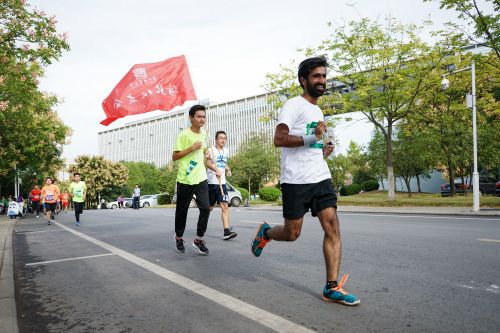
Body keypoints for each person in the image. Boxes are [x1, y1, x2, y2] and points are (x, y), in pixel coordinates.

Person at [250, 57, 360, 306]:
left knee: (332, 227)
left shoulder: (318, 110)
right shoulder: (293, 105)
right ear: (304, 80)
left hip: (320, 176)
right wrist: (313, 138)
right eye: (316, 77)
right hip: (295, 181)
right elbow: (279, 139)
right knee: (292, 233)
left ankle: (331, 287)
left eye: (323, 76)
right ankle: (266, 232)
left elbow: (313, 142)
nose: (322, 81)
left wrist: (323, 148)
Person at [172, 104, 213, 255]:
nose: (202, 119)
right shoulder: (184, 135)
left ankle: (199, 239)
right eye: (199, 116)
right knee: (182, 211)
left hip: (201, 177)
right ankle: (179, 237)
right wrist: (191, 148)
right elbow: (174, 156)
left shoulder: (204, 133)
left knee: (205, 208)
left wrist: (207, 152)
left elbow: (203, 149)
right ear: (191, 118)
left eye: (203, 116)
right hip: (185, 178)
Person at [206, 130, 237, 240]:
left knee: (225, 206)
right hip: (212, 183)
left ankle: (226, 231)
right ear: (216, 140)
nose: (223, 140)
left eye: (225, 138)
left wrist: (228, 169)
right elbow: (208, 163)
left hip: (222, 183)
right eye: (220, 138)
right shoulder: (210, 150)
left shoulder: (226, 151)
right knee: (209, 208)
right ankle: (202, 226)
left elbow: (223, 163)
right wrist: (216, 169)